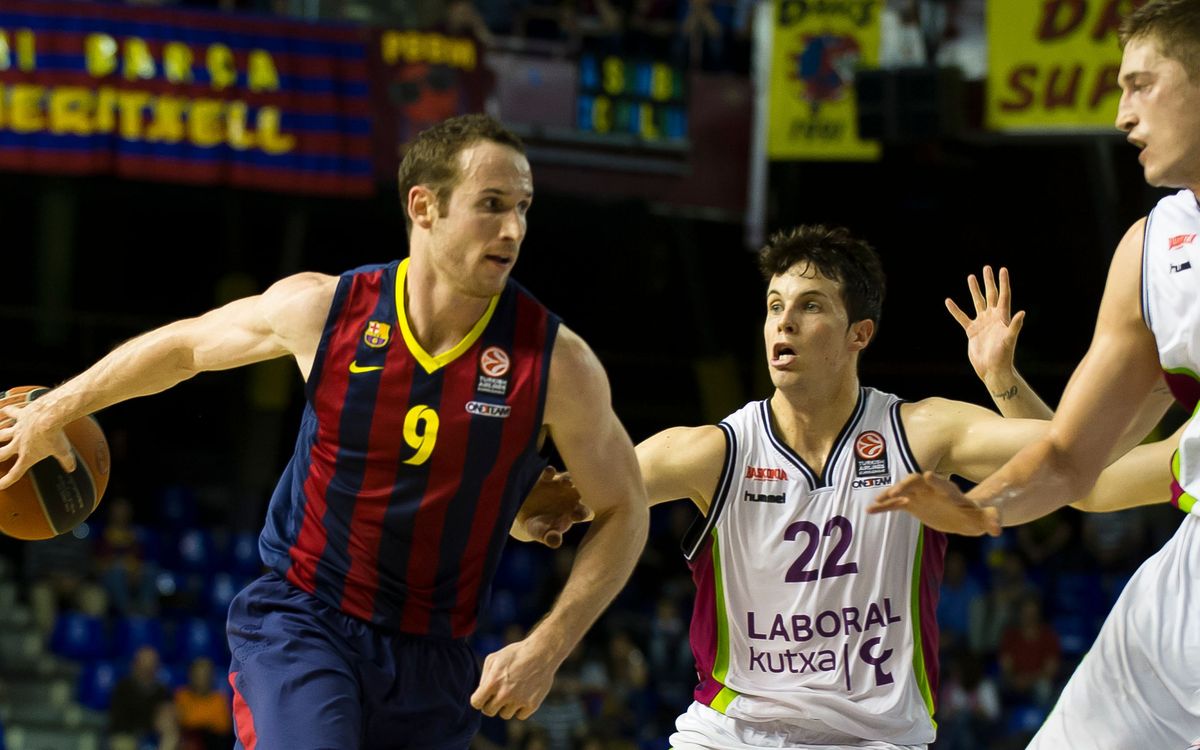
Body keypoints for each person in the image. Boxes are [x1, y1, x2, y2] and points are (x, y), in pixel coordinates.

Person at [0, 113, 650, 749]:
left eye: (524, 207)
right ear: (423, 207)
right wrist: (54, 409)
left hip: (436, 658)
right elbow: (183, 349)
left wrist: (549, 644)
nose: (514, 228)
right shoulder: (328, 310)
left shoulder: (557, 363)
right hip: (306, 621)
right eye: (491, 204)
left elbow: (625, 508)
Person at [632, 226, 1181, 749]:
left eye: (810, 305)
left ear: (860, 334)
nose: (784, 322)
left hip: (875, 737)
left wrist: (1001, 381)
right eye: (775, 305)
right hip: (733, 731)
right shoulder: (715, 451)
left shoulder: (918, 432)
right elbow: (588, 496)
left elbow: (1075, 459)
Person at [867, 1, 1200, 746]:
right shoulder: (1153, 253)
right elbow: (1077, 463)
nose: (1122, 115)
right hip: (1178, 613)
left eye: (1141, 84)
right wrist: (975, 505)